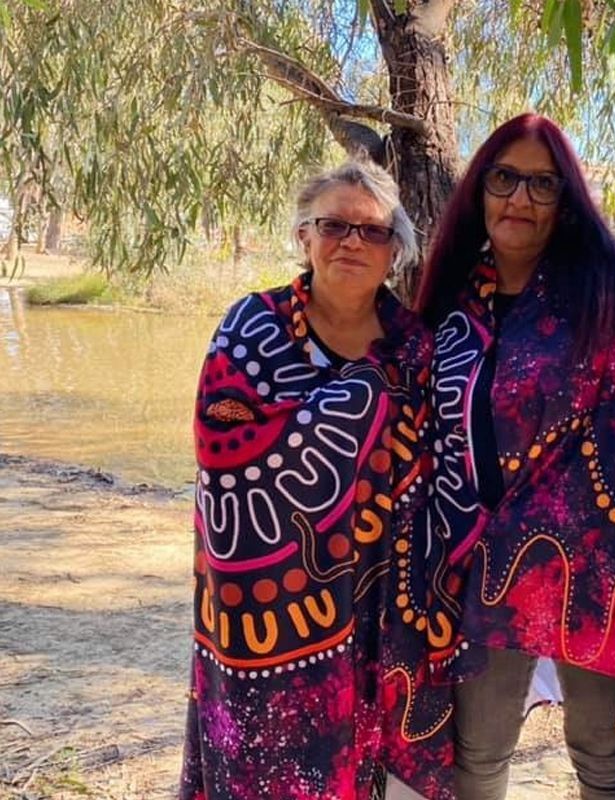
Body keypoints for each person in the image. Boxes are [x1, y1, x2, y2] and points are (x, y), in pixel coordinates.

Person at [415, 113, 615, 800]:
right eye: (505, 178)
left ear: (566, 200)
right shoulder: (454, 297)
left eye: (543, 184)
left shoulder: (612, 300)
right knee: (476, 752)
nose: (520, 198)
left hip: (595, 568)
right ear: (481, 187)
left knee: (600, 750)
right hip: (474, 563)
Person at [180, 161, 454, 800]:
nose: (353, 241)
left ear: (396, 251)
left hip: (387, 592)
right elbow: (224, 452)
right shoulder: (253, 326)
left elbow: (440, 466)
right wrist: (365, 396)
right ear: (305, 236)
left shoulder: (418, 347)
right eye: (335, 225)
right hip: (272, 599)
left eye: (373, 231)